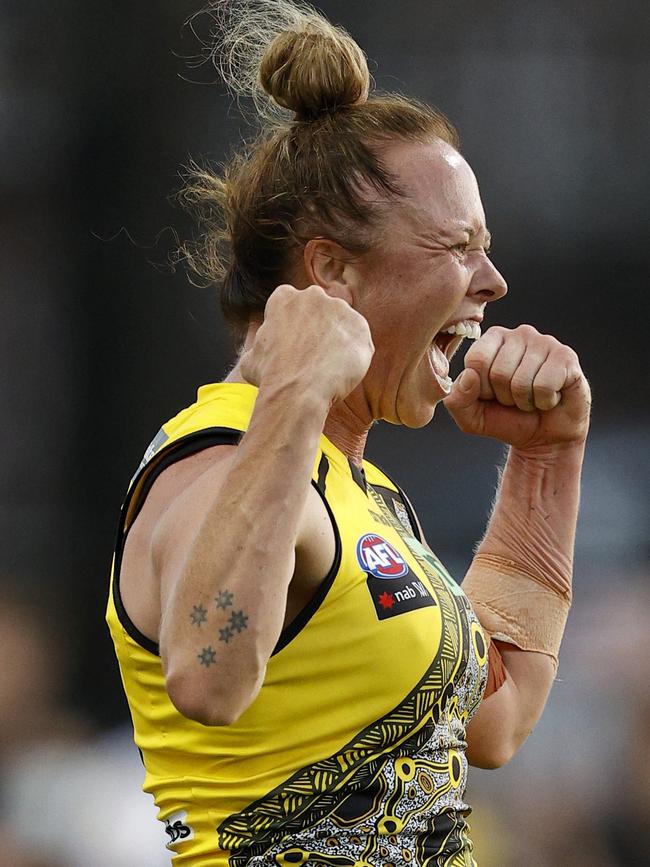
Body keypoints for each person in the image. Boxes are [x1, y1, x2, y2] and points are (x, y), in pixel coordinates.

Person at [106, 2, 591, 864]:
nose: (494, 279)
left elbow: (497, 721)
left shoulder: (356, 489)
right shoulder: (220, 463)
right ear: (332, 269)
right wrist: (293, 388)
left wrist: (546, 461)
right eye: (457, 246)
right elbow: (205, 677)